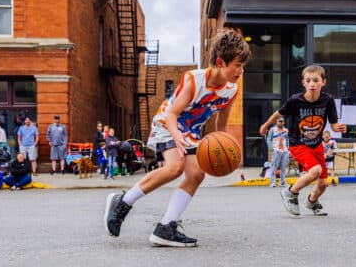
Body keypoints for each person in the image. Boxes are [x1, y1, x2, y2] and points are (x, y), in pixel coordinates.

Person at [103, 28, 251, 247]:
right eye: (237, 65)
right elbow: (172, 114)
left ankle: (166, 227)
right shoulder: (194, 79)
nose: (241, 71)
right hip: (167, 123)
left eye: (242, 66)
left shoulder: (231, 90)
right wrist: (177, 138)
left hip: (190, 132)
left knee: (197, 174)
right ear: (220, 62)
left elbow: (221, 125)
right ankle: (123, 202)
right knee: (175, 167)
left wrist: (229, 151)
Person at [259, 64, 346, 217]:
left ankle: (312, 201)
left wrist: (338, 128)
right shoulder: (295, 100)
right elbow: (279, 113)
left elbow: (333, 124)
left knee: (322, 184)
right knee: (315, 171)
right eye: (309, 80)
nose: (312, 84)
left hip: (317, 145)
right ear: (303, 83)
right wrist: (266, 125)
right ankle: (290, 192)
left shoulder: (328, 100)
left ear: (323, 82)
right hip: (298, 143)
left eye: (316, 80)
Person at [266, 117, 290, 188]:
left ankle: (282, 182)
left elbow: (287, 139)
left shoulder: (286, 130)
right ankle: (272, 182)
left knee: (283, 167)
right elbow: (268, 139)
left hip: (285, 151)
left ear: (284, 122)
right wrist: (271, 148)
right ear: (276, 122)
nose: (281, 123)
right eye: (279, 121)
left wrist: (288, 148)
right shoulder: (272, 129)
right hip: (276, 150)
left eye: (282, 121)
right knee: (274, 166)